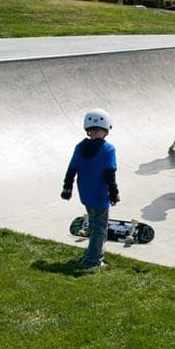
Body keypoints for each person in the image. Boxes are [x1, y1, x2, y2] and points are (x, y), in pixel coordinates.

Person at [61, 109, 120, 268]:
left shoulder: (80, 147)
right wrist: (114, 194)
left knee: (94, 224)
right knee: (100, 228)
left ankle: (90, 254)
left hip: (85, 193)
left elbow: (71, 169)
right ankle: (93, 260)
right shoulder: (109, 149)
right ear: (106, 129)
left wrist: (67, 189)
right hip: (100, 195)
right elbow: (110, 174)